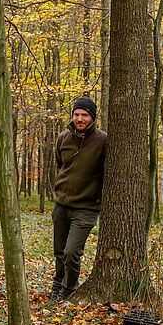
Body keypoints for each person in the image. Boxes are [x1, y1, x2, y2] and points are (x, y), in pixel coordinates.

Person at [50, 95, 107, 301]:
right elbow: (60, 164)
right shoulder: (63, 138)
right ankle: (57, 284)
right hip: (61, 205)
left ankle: (69, 288)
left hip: (86, 207)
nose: (80, 119)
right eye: (76, 114)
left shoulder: (103, 140)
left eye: (84, 115)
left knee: (71, 251)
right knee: (59, 251)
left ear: (92, 117)